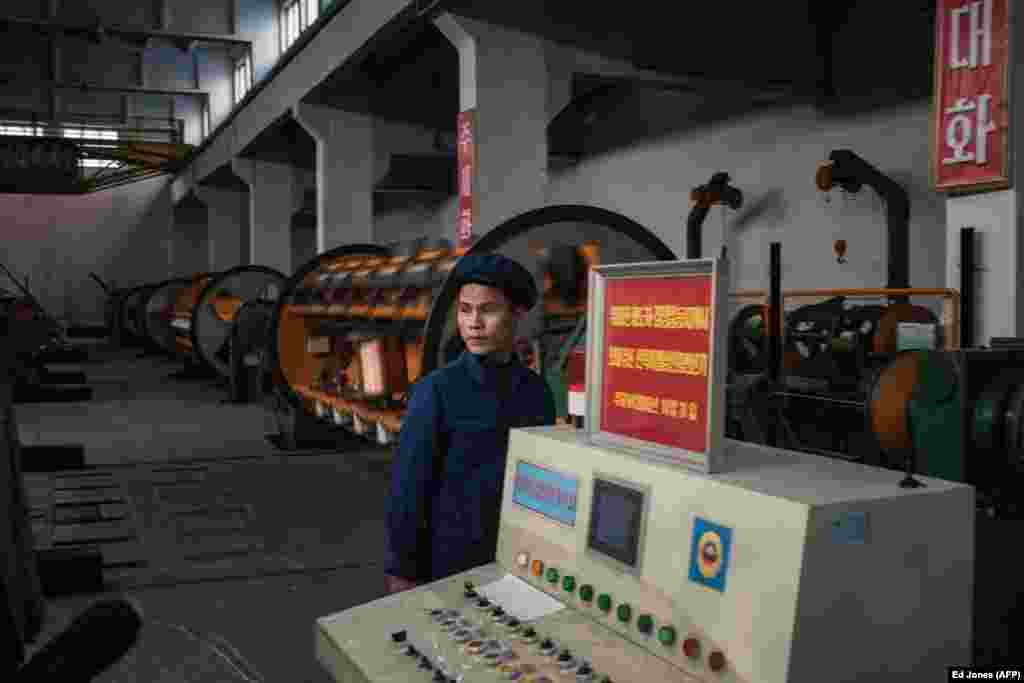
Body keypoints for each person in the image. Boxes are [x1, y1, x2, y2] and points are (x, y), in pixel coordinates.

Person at [386, 252, 556, 593]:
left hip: (519, 565)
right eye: (465, 310)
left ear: (517, 313)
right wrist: (402, 571)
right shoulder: (437, 391)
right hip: (448, 568)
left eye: (488, 310)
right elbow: (409, 489)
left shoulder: (536, 393)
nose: (473, 323)